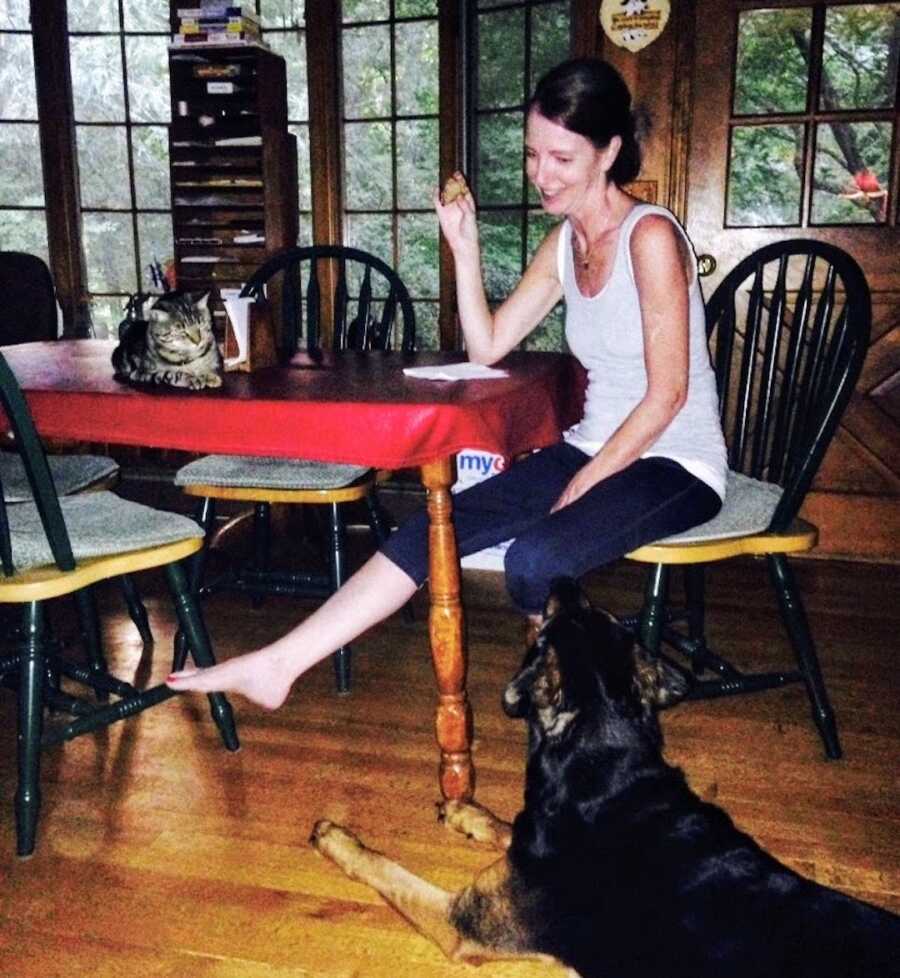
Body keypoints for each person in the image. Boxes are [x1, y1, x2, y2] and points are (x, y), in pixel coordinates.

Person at [166, 57, 726, 709]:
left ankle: (604, 692)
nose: (541, 174)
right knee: (427, 528)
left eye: (561, 159)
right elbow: (488, 345)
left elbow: (669, 395)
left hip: (675, 461)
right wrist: (464, 247)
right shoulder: (564, 243)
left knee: (534, 562)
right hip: (594, 443)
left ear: (609, 152)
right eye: (531, 155)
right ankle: (278, 665)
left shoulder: (649, 236)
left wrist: (582, 483)